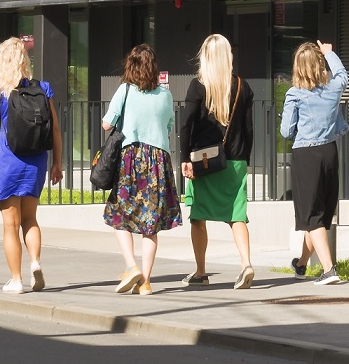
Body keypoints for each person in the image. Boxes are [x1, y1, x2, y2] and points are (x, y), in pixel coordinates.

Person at [0, 34, 62, 295]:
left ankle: (16, 280)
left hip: (8, 162)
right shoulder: (43, 88)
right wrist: (57, 162)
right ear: (24, 60)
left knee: (10, 225)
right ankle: (35, 262)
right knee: (30, 218)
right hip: (36, 161)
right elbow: (55, 129)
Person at [176, 33, 256, 290]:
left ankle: (201, 271)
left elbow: (186, 125)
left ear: (205, 57)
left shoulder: (198, 86)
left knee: (198, 217)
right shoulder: (242, 86)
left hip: (205, 162)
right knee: (237, 216)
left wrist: (184, 157)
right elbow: (249, 129)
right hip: (236, 160)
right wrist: (245, 159)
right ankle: (246, 264)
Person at [101, 42, 180, 294]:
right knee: (151, 223)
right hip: (158, 161)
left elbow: (106, 124)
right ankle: (145, 281)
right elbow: (169, 127)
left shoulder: (125, 90)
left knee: (119, 215)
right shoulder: (165, 95)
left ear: (130, 66)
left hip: (130, 159)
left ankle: (131, 266)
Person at [281, 39, 348, 284]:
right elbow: (342, 75)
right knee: (319, 215)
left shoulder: (295, 94)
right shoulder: (333, 88)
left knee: (311, 215)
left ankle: (329, 269)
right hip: (329, 152)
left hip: (306, 155)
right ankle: (301, 264)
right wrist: (330, 53)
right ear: (320, 65)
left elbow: (286, 131)